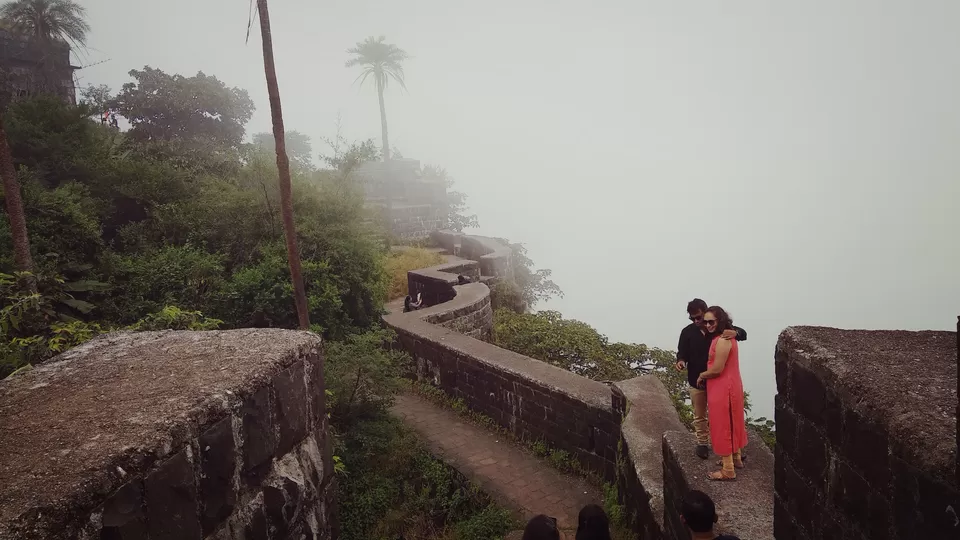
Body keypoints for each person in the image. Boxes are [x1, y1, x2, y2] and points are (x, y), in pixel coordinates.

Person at [675, 298, 747, 459]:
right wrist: (680, 361)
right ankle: (702, 443)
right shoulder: (688, 332)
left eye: (699, 317)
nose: (696, 321)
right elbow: (682, 352)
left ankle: (733, 449)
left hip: (717, 381)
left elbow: (743, 334)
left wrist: (736, 333)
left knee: (725, 416)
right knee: (699, 415)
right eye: (692, 318)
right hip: (696, 380)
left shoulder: (717, 329)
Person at [696, 306, 748, 480]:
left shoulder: (723, 339)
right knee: (733, 421)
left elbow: (717, 369)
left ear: (720, 321)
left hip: (722, 387)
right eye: (706, 321)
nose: (708, 325)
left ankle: (728, 469)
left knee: (722, 425)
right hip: (730, 385)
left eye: (712, 321)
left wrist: (702, 375)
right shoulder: (725, 336)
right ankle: (736, 458)